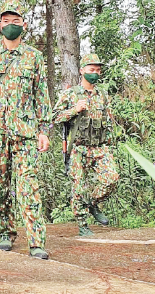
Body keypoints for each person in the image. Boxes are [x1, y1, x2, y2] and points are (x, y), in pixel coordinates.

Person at [0, 0, 52, 259]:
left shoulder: (34, 57)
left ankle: (36, 242)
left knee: (28, 186)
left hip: (25, 132)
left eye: (16, 21)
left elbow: (41, 95)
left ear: (23, 25)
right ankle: (5, 232)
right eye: (6, 21)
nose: (11, 25)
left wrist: (44, 129)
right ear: (0, 24)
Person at [52, 54, 119, 236]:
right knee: (78, 187)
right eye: (91, 70)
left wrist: (111, 143)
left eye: (98, 70)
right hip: (78, 148)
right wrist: (75, 109)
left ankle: (92, 203)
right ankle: (83, 225)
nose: (95, 73)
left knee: (112, 178)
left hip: (99, 147)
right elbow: (54, 117)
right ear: (82, 71)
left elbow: (109, 121)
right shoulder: (70, 94)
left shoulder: (102, 95)